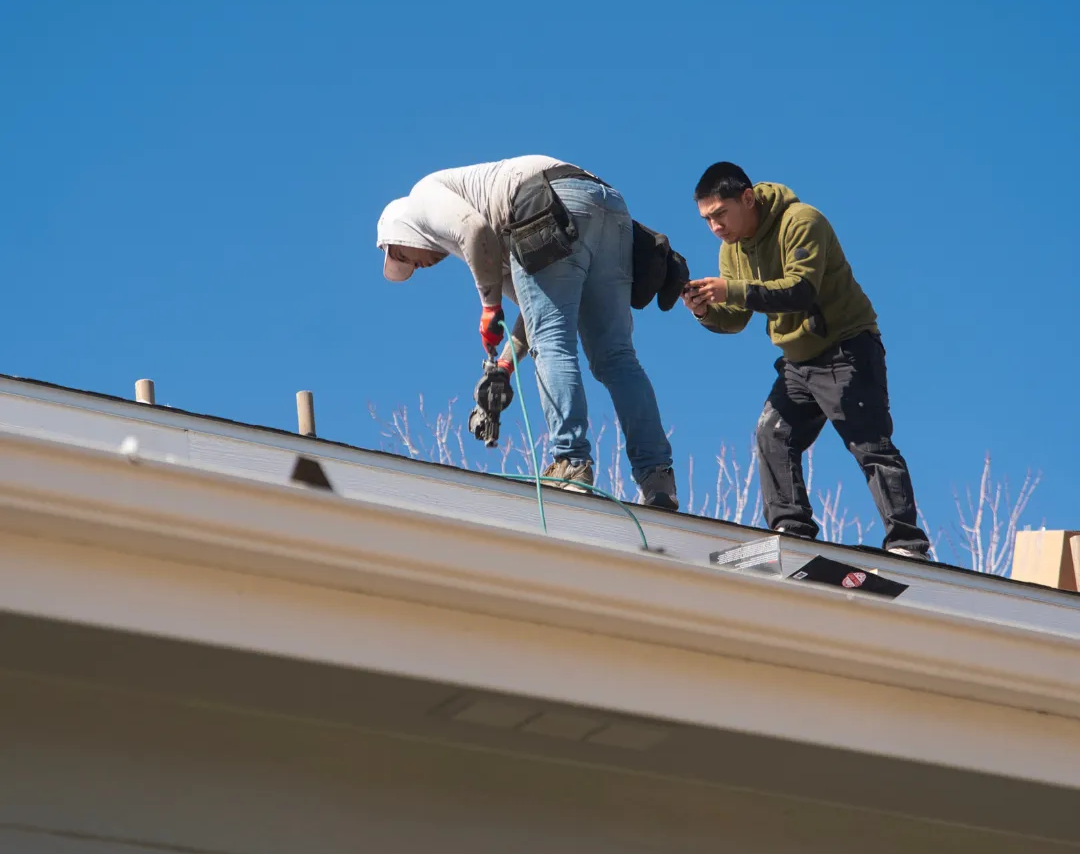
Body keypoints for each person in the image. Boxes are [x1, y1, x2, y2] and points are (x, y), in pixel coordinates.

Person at [376, 155, 678, 509]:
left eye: (402, 255)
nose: (417, 265)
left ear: (401, 231)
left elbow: (474, 232)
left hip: (546, 203)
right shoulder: (501, 250)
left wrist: (489, 306)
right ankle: (656, 477)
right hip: (606, 206)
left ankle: (571, 463)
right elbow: (533, 316)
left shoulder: (421, 198)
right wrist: (503, 368)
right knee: (616, 357)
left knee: (554, 344)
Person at [682, 161, 930, 557]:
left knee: (870, 444)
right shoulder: (731, 252)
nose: (715, 227)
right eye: (707, 219)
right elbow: (735, 321)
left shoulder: (801, 220)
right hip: (798, 362)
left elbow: (800, 291)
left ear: (747, 198)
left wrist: (734, 291)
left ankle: (907, 545)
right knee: (772, 433)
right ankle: (791, 530)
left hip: (846, 348)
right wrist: (703, 310)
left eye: (721, 214)